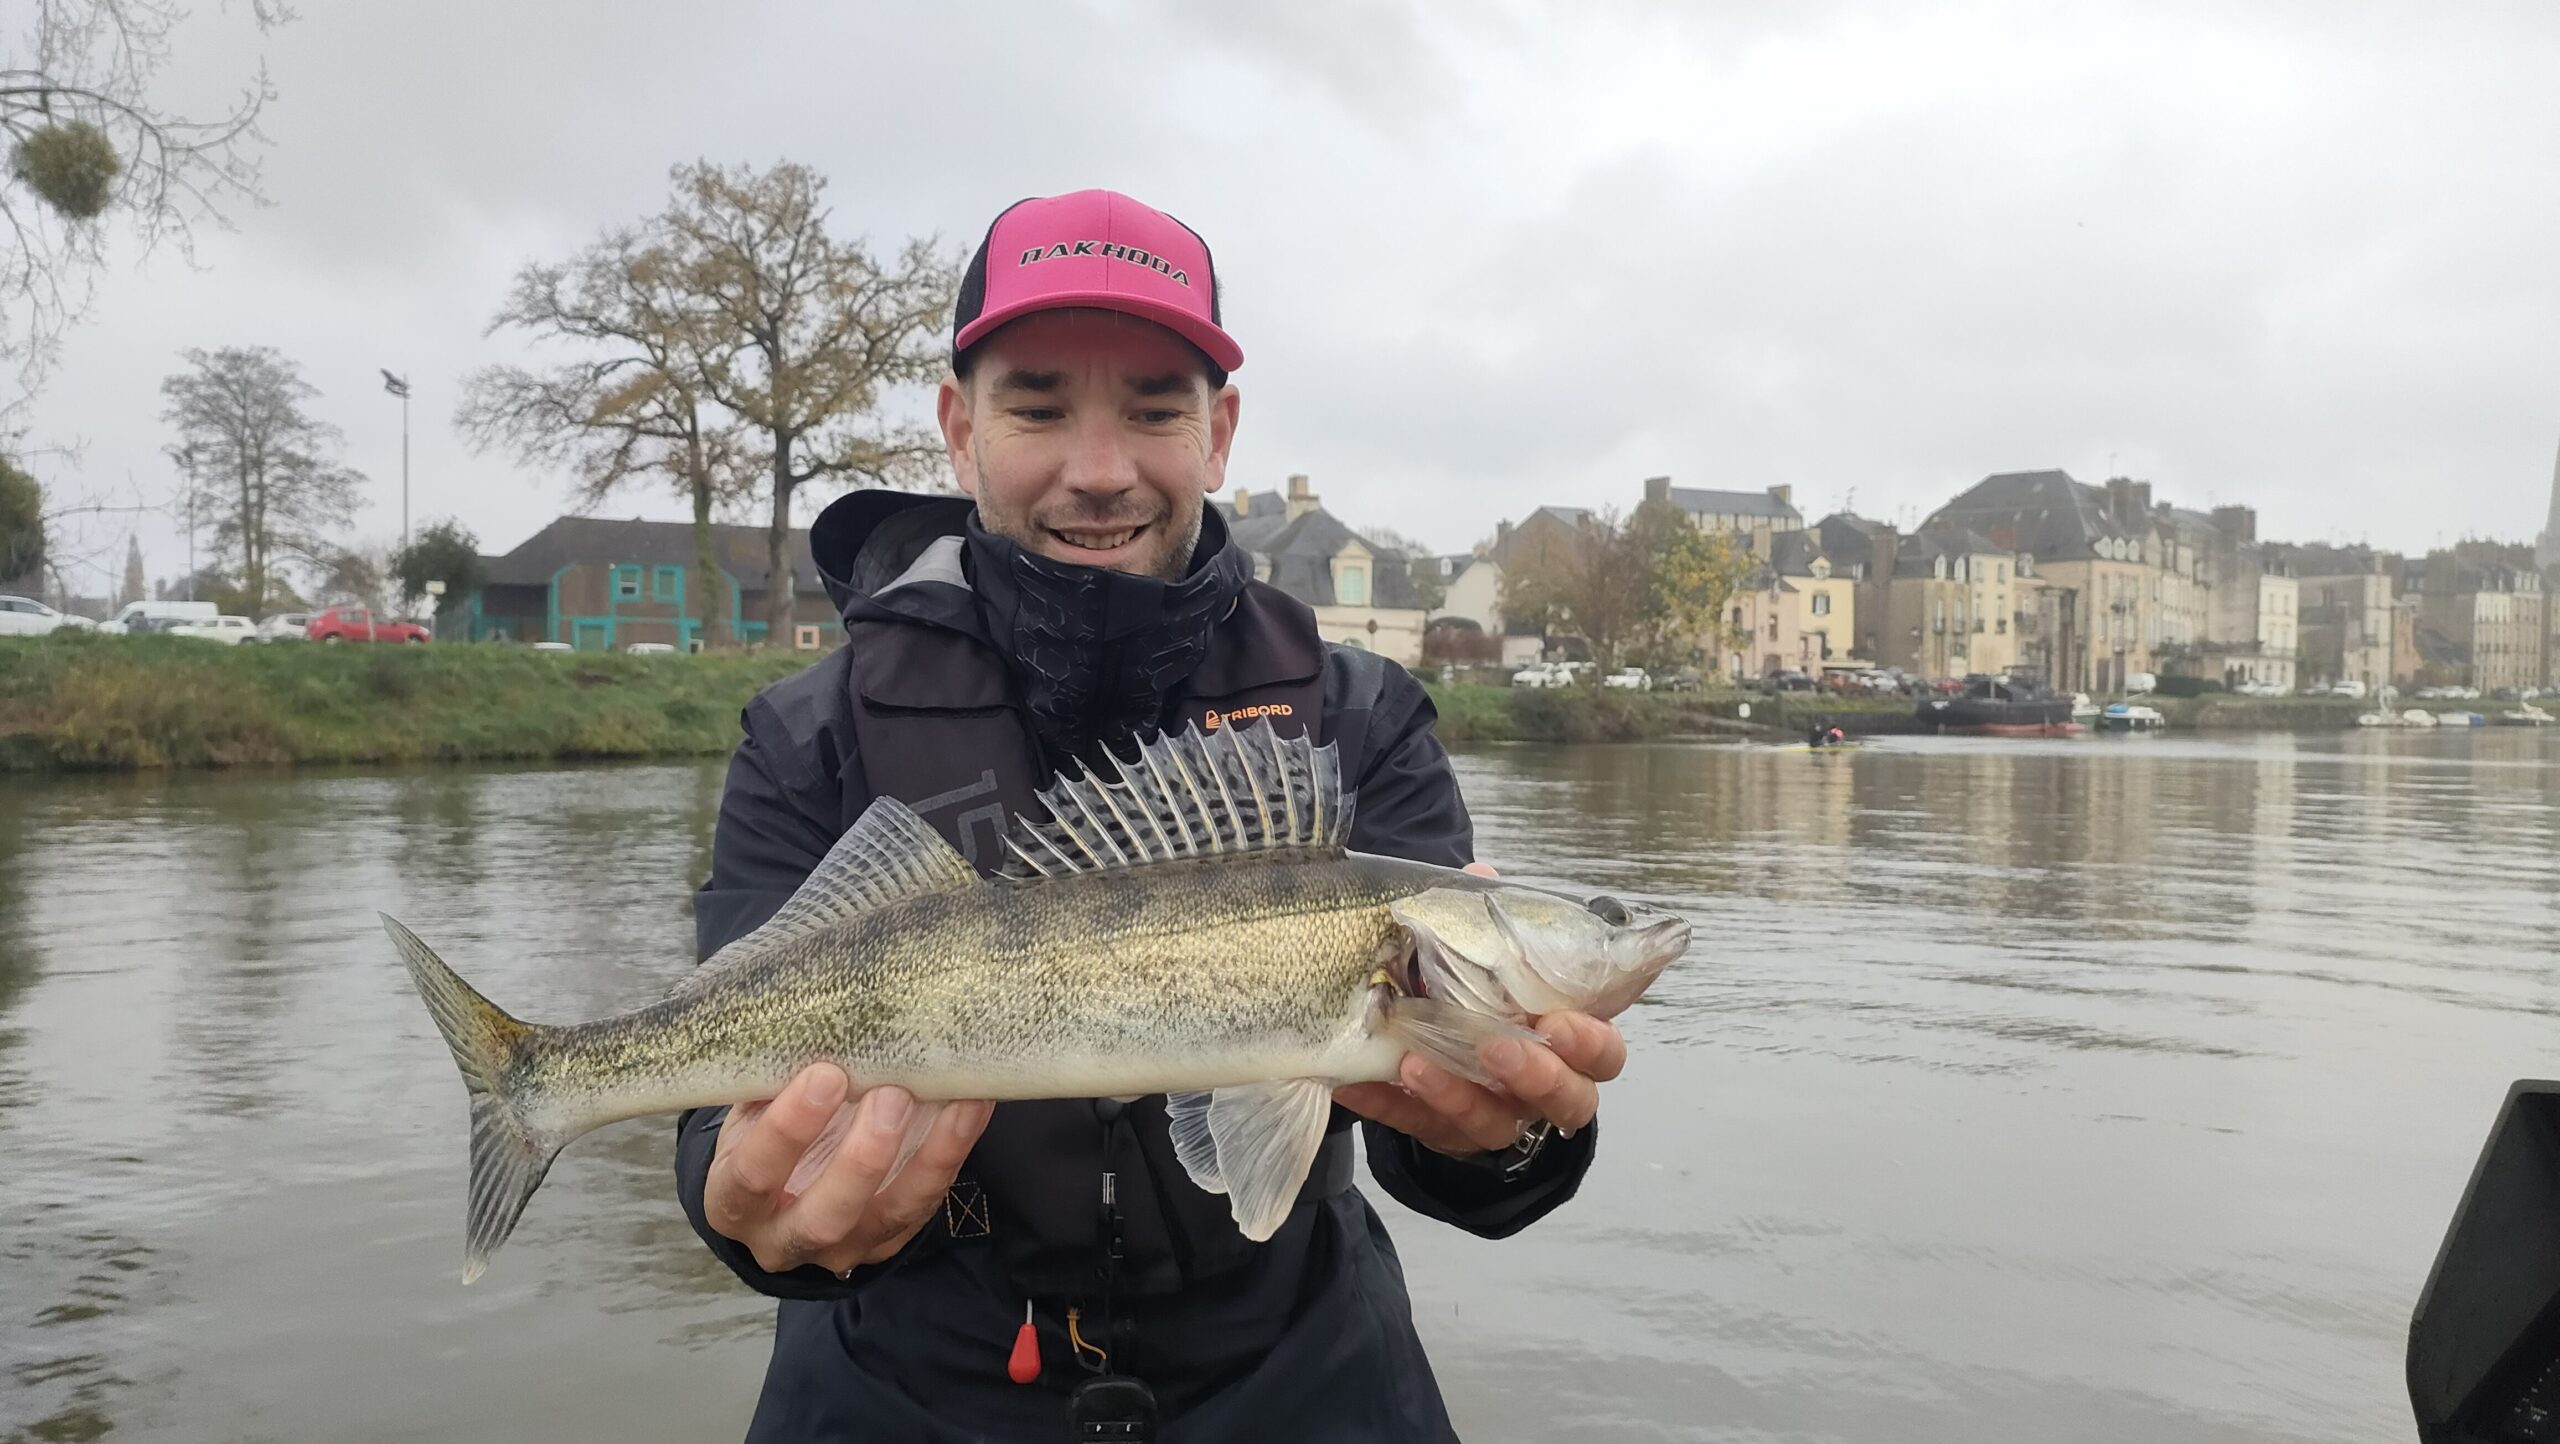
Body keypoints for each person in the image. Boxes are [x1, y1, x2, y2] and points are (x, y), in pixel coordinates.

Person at [674, 190, 1635, 1441]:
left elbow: (1450, 1170)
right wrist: (741, 1208)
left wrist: (1508, 1142)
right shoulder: (807, 734)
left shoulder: (1360, 714)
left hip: (1301, 1379)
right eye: (1037, 408)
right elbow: (722, 1078)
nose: (1099, 469)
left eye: (1152, 408)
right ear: (960, 430)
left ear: (1217, 433)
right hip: (900, 1382)